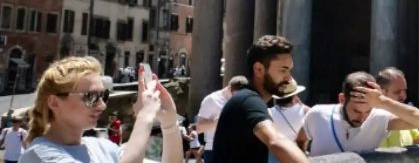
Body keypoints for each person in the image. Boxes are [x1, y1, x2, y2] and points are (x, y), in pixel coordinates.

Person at [19, 56, 183, 163]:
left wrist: (169, 123)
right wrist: (145, 116)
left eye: (103, 95)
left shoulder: (103, 147)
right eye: (91, 96)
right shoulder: (39, 155)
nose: (102, 105)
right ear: (54, 103)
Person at [210, 35, 309, 163]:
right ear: (259, 69)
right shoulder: (249, 100)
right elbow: (276, 141)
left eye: (289, 70)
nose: (288, 77)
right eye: (283, 70)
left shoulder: (248, 99)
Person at [299, 71, 419, 156]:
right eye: (356, 111)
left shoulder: (379, 118)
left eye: (368, 111)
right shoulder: (317, 113)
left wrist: (383, 101)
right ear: (342, 99)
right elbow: (300, 140)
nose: (362, 117)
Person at [196, 75, 248, 163]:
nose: (239, 98)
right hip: (215, 150)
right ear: (229, 88)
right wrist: (218, 121)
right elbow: (199, 128)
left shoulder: (242, 100)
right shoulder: (212, 99)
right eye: (237, 94)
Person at [267, 78, 309, 163]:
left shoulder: (268, 112)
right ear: (295, 95)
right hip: (297, 156)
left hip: (274, 157)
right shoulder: (305, 111)